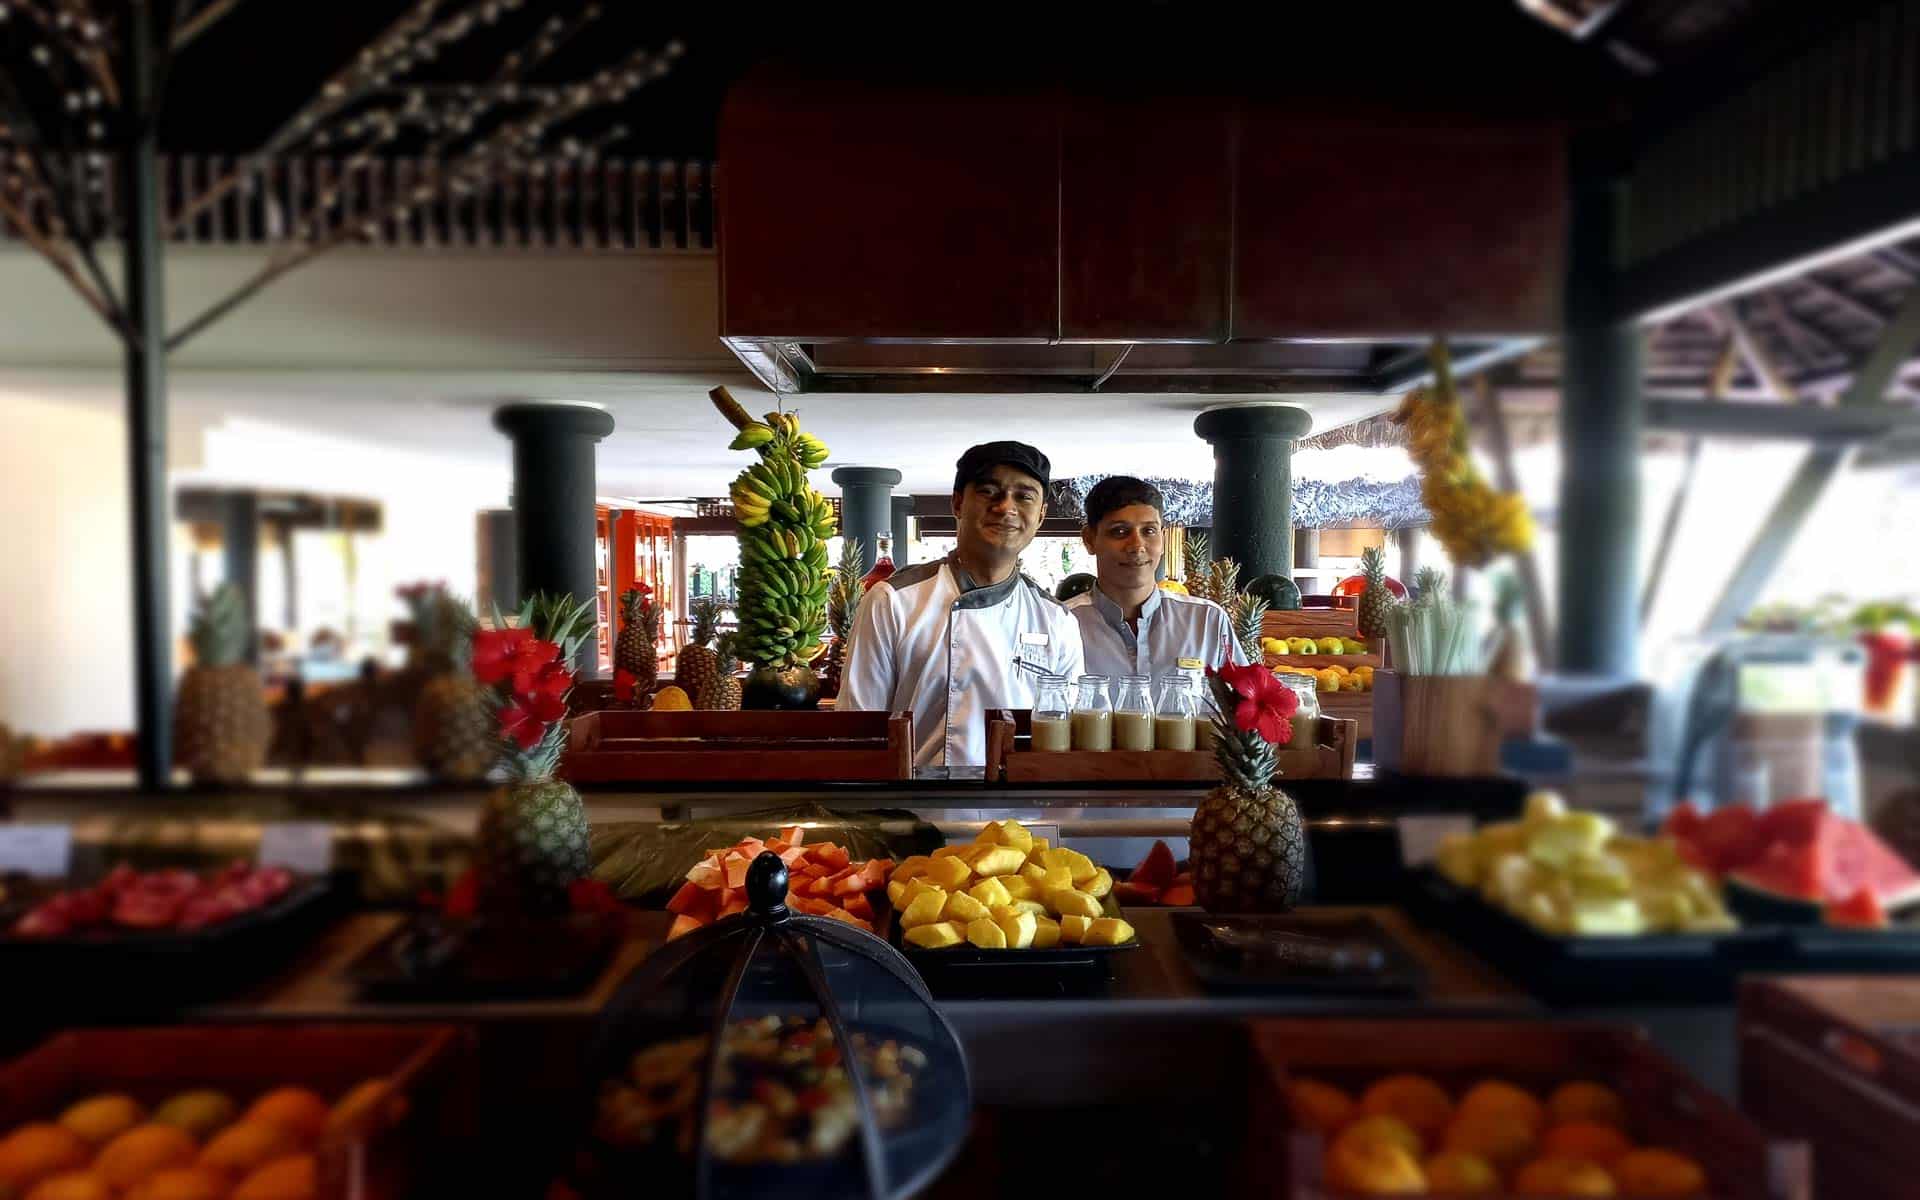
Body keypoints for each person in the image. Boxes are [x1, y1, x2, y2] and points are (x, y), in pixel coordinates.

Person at [840, 441, 1085, 769]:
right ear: (957, 503)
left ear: (1040, 516)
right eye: (988, 491)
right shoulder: (893, 600)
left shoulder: (1056, 620)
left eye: (1024, 496)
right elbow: (859, 729)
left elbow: (1067, 738)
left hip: (1021, 812)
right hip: (913, 811)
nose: (1005, 507)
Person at [1064, 475, 1247, 680]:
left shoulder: (1207, 622)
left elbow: (1244, 705)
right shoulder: (1062, 623)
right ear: (1089, 540)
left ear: (1162, 538)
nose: (1137, 546)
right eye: (1120, 531)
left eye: (1149, 531)